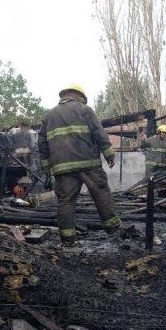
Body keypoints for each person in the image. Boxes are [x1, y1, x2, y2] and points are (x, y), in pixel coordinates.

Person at [37, 84, 121, 247]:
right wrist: (109, 153)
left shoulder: (49, 116)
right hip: (88, 163)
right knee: (101, 193)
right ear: (79, 96)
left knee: (65, 202)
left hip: (62, 168)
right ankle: (113, 228)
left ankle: (68, 240)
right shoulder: (85, 110)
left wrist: (46, 168)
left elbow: (42, 144)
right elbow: (99, 133)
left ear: (64, 96)